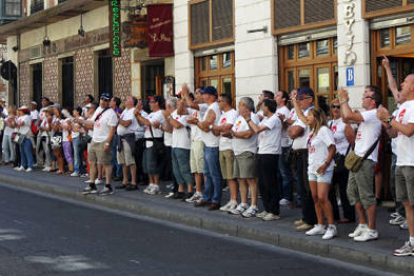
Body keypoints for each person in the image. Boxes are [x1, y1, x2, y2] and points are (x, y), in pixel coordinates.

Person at [377, 73, 414, 256]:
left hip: (412, 163)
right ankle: (412, 242)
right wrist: (385, 121)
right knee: (406, 204)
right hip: (401, 161)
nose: (401, 84)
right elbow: (394, 134)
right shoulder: (402, 108)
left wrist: (390, 119)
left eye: (405, 82)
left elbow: (408, 131)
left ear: (413, 87)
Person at [339, 86, 382, 242]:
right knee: (353, 193)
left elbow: (348, 115)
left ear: (373, 101)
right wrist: (344, 103)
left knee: (366, 196)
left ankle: (372, 229)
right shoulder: (366, 114)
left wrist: (344, 100)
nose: (363, 98)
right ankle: (363, 224)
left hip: (366, 160)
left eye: (366, 96)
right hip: (357, 159)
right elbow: (346, 118)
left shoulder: (373, 113)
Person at [292, 93, 337, 239]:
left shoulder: (324, 130)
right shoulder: (312, 131)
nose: (307, 118)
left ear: (316, 117)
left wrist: (325, 164)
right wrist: (294, 102)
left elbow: (332, 148)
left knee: (323, 197)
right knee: (315, 197)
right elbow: (300, 116)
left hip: (323, 168)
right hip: (312, 168)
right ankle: (320, 224)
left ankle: (331, 226)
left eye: (310, 116)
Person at [245, 99, 282, 221]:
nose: (261, 109)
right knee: (263, 183)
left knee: (270, 182)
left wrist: (248, 119)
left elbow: (256, 130)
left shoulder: (274, 119)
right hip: (262, 151)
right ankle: (267, 209)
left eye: (263, 107)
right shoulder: (266, 119)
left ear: (268, 107)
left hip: (270, 153)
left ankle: (274, 211)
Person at [288, 87, 317, 232]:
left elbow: (294, 131)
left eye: (300, 98)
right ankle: (306, 217)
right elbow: (292, 130)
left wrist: (291, 129)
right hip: (299, 153)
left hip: (306, 153)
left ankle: (311, 219)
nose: (297, 101)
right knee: (301, 187)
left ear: (310, 99)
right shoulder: (302, 113)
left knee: (307, 188)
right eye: (296, 98)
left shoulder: (310, 112)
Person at [79, 93, 118, 196]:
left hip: (103, 140)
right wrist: (81, 120)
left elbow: (112, 130)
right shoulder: (98, 110)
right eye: (102, 99)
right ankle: (92, 184)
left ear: (109, 102)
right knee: (92, 162)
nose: (103, 101)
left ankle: (108, 185)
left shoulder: (111, 114)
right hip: (94, 139)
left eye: (106, 100)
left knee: (106, 163)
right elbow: (92, 122)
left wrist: (107, 143)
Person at [192, 86, 223, 211]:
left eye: (203, 94)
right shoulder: (211, 107)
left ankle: (216, 199)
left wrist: (195, 122)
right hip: (207, 143)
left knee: (214, 174)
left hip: (213, 145)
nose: (201, 96)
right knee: (207, 173)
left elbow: (205, 127)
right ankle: (207, 197)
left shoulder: (214, 107)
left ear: (209, 95)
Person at [230, 97, 260, 217]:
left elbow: (250, 133)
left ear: (246, 106)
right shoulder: (239, 118)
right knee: (241, 178)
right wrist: (230, 134)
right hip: (237, 151)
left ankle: (254, 205)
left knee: (250, 179)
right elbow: (235, 132)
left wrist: (235, 134)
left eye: (240, 104)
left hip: (247, 151)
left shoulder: (253, 116)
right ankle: (243, 203)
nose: (238, 106)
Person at [329, 99, 356, 223]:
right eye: (333, 106)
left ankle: (349, 215)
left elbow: (353, 142)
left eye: (338, 107)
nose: (335, 109)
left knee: (344, 189)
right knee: (329, 188)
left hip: (343, 158)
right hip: (332, 159)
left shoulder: (345, 123)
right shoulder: (329, 123)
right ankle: (333, 213)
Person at [163, 96, 195, 199]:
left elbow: (177, 125)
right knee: (176, 169)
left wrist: (168, 117)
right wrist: (167, 120)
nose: (178, 105)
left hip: (183, 144)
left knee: (185, 168)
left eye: (180, 103)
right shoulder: (174, 114)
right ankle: (180, 190)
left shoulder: (187, 114)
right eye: (178, 104)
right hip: (175, 143)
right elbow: (169, 128)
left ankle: (190, 189)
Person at [134, 95, 166, 195]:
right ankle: (151, 183)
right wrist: (137, 116)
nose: (149, 104)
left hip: (155, 141)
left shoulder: (160, 113)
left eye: (151, 102)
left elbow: (148, 123)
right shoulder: (151, 114)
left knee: (153, 164)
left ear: (157, 103)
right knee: (147, 165)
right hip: (147, 141)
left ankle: (156, 185)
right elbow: (142, 124)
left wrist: (139, 116)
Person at [212, 93, 239, 212]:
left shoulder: (233, 113)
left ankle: (234, 200)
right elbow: (217, 131)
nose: (218, 104)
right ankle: (231, 200)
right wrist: (216, 128)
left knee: (232, 176)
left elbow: (227, 128)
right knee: (226, 176)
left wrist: (214, 126)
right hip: (221, 146)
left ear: (225, 102)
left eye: (219, 101)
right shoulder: (222, 115)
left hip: (230, 147)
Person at [182, 86, 207, 203]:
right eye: (195, 93)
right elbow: (180, 111)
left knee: (202, 169)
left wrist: (186, 94)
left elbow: (191, 106)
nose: (196, 95)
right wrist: (183, 98)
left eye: (198, 93)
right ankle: (198, 192)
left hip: (201, 140)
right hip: (193, 140)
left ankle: (206, 193)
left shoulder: (205, 106)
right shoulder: (195, 109)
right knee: (195, 170)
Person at [275, 90, 295, 205]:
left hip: (284, 143)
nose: (275, 97)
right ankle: (281, 194)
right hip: (277, 144)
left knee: (284, 171)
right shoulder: (277, 110)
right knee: (279, 171)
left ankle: (287, 196)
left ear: (283, 99)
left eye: (278, 96)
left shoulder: (285, 111)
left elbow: (283, 127)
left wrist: (282, 120)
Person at [116, 96, 139, 191]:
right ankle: (125, 181)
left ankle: (133, 182)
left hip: (128, 138)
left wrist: (117, 119)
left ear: (132, 102)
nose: (125, 99)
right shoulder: (125, 111)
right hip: (121, 138)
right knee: (123, 161)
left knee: (130, 160)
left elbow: (126, 124)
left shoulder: (132, 111)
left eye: (128, 99)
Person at [15, 106, 34, 172]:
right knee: (21, 151)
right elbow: (16, 125)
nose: (19, 112)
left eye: (20, 110)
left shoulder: (27, 117)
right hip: (20, 135)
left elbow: (20, 123)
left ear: (23, 111)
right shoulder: (20, 117)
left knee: (27, 151)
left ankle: (30, 166)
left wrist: (17, 123)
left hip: (27, 136)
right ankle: (23, 165)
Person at [50, 105, 65, 175]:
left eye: (55, 110)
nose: (54, 111)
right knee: (55, 153)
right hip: (55, 135)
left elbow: (57, 128)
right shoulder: (54, 119)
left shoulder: (62, 119)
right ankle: (60, 168)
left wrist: (50, 123)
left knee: (59, 153)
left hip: (59, 134)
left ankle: (61, 169)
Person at [111, 97, 123, 181]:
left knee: (116, 155)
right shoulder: (110, 111)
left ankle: (118, 174)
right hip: (111, 134)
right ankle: (113, 172)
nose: (109, 102)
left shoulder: (118, 111)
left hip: (116, 134)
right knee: (112, 155)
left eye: (111, 101)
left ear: (115, 102)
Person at [70, 107, 85, 177]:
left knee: (77, 155)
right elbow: (70, 128)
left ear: (78, 112)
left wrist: (71, 124)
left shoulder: (81, 119)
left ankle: (77, 170)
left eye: (74, 110)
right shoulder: (74, 119)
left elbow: (77, 128)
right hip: (74, 137)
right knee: (78, 154)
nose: (73, 112)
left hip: (78, 137)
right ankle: (80, 170)